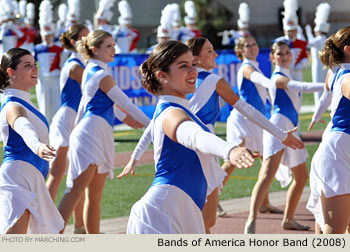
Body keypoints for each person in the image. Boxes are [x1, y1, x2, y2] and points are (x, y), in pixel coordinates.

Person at [126, 40, 256, 234]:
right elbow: (195, 137)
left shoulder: (181, 109)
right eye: (183, 66)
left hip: (182, 210)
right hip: (160, 213)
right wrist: (230, 149)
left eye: (193, 64)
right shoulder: (170, 113)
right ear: (163, 76)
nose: (193, 71)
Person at [57, 30, 150, 234]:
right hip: (91, 133)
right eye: (108, 46)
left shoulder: (92, 70)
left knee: (94, 195)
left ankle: (93, 240)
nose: (113, 50)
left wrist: (127, 119)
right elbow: (125, 103)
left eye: (113, 45)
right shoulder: (101, 75)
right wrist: (153, 125)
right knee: (76, 190)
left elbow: (91, 103)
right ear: (94, 49)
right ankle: (49, 237)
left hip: (95, 132)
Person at [244, 40, 324, 234]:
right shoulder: (278, 78)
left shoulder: (285, 74)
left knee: (301, 176)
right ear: (272, 58)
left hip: (291, 128)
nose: (285, 56)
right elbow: (301, 87)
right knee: (267, 174)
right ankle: (251, 220)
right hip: (277, 128)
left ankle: (288, 218)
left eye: (287, 52)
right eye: (280, 53)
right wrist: (329, 84)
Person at [225, 35, 295, 215]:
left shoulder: (255, 65)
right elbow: (258, 80)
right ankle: (213, 197)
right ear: (240, 51)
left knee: (265, 160)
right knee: (232, 161)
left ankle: (264, 202)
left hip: (254, 120)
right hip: (242, 120)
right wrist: (273, 83)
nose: (252, 47)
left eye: (254, 44)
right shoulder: (247, 67)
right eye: (247, 46)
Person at [0, 48, 63, 234]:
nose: (34, 69)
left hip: (32, 177)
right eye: (27, 66)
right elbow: (23, 127)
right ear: (11, 72)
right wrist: (38, 146)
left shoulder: (25, 101)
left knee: (52, 233)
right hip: (17, 177)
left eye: (34, 64)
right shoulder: (12, 105)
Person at [46, 24, 88, 234]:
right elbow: (95, 87)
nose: (89, 41)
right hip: (66, 120)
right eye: (84, 37)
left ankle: (79, 227)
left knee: (77, 176)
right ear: (74, 42)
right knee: (57, 174)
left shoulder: (83, 63)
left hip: (77, 121)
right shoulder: (75, 66)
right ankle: (43, 223)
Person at [307, 27, 350, 234]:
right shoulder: (346, 76)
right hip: (338, 151)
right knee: (334, 232)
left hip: (339, 147)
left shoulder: (336, 72)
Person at [34, 0, 63, 124]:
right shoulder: (37, 49)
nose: (47, 37)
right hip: (42, 80)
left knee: (57, 104)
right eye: (45, 35)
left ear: (52, 34)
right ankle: (45, 126)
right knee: (44, 106)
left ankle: (57, 127)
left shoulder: (59, 48)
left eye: (49, 35)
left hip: (56, 78)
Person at [305, 2, 331, 104]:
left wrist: (307, 31)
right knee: (323, 82)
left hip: (317, 63)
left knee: (317, 82)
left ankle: (319, 103)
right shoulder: (325, 38)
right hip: (324, 63)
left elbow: (309, 43)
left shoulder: (319, 39)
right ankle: (323, 101)